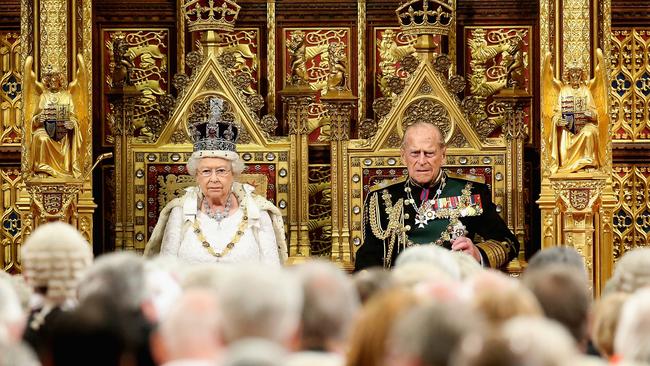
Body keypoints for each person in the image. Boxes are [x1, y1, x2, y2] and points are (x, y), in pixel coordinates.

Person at [355, 121, 519, 270]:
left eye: (429, 153)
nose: (421, 161)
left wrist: (478, 254)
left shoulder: (470, 192)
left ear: (443, 155)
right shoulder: (382, 198)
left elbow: (508, 243)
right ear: (403, 156)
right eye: (414, 153)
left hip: (452, 289)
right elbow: (368, 258)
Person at [144, 97, 287, 265]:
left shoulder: (258, 211)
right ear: (196, 176)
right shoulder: (179, 212)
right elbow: (166, 271)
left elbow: (271, 271)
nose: (213, 179)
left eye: (221, 171)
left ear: (233, 173)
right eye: (206, 171)